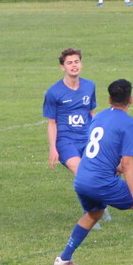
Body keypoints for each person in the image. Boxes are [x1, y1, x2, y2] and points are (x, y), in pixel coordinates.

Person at [54, 79, 133, 265]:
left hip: (82, 178)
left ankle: (64, 259)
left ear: (109, 99)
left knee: (94, 213)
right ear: (131, 99)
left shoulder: (98, 117)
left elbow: (99, 152)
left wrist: (122, 169)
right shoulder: (129, 124)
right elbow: (128, 162)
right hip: (102, 181)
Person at [43, 48, 110, 227]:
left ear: (81, 64)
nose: (74, 66)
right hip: (66, 142)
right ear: (62, 67)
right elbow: (51, 123)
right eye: (69, 63)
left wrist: (101, 136)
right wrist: (53, 148)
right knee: (83, 175)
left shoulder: (89, 86)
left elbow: (91, 113)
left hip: (87, 139)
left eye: (76, 62)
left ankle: (100, 206)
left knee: (101, 172)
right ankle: (90, 213)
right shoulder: (53, 92)